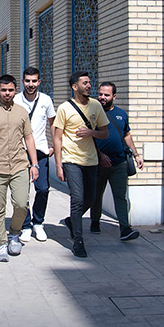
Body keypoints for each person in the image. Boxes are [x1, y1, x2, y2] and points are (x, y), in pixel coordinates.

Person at [0, 75, 39, 262]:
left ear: (15, 90)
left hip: (20, 164)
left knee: (22, 204)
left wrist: (34, 164)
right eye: (4, 90)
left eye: (10, 90)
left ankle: (14, 233)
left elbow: (29, 138)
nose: (7, 93)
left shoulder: (22, 112)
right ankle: (1, 244)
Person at [53, 71, 109, 258]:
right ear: (74, 87)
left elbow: (105, 133)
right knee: (77, 198)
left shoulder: (96, 106)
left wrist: (91, 133)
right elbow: (57, 138)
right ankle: (78, 240)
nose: (89, 86)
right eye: (85, 83)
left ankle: (71, 221)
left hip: (91, 160)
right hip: (71, 160)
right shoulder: (64, 108)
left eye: (89, 82)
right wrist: (59, 165)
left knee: (90, 199)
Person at [91, 82, 144, 240]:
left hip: (119, 162)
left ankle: (125, 228)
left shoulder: (122, 114)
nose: (102, 97)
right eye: (100, 94)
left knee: (120, 196)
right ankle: (95, 222)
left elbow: (126, 135)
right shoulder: (92, 114)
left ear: (114, 96)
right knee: (96, 195)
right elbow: (88, 138)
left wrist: (136, 155)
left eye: (106, 95)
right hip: (98, 163)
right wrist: (100, 155)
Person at [14, 67, 56, 242]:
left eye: (34, 81)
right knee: (22, 192)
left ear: (39, 82)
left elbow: (53, 124)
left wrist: (53, 145)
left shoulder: (46, 100)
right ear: (23, 81)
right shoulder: (15, 100)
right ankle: (25, 225)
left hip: (40, 151)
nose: (30, 84)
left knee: (43, 189)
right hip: (19, 152)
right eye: (27, 81)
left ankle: (38, 223)